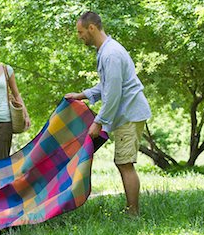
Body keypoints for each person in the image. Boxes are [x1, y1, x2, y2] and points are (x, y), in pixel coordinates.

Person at [65, 11, 151, 216]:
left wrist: (99, 122)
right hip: (126, 113)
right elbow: (106, 86)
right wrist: (82, 95)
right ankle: (131, 210)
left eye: (80, 32)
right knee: (123, 162)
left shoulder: (110, 54)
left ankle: (133, 213)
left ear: (91, 28)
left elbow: (113, 93)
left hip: (130, 113)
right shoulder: (106, 51)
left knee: (125, 163)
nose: (80, 36)